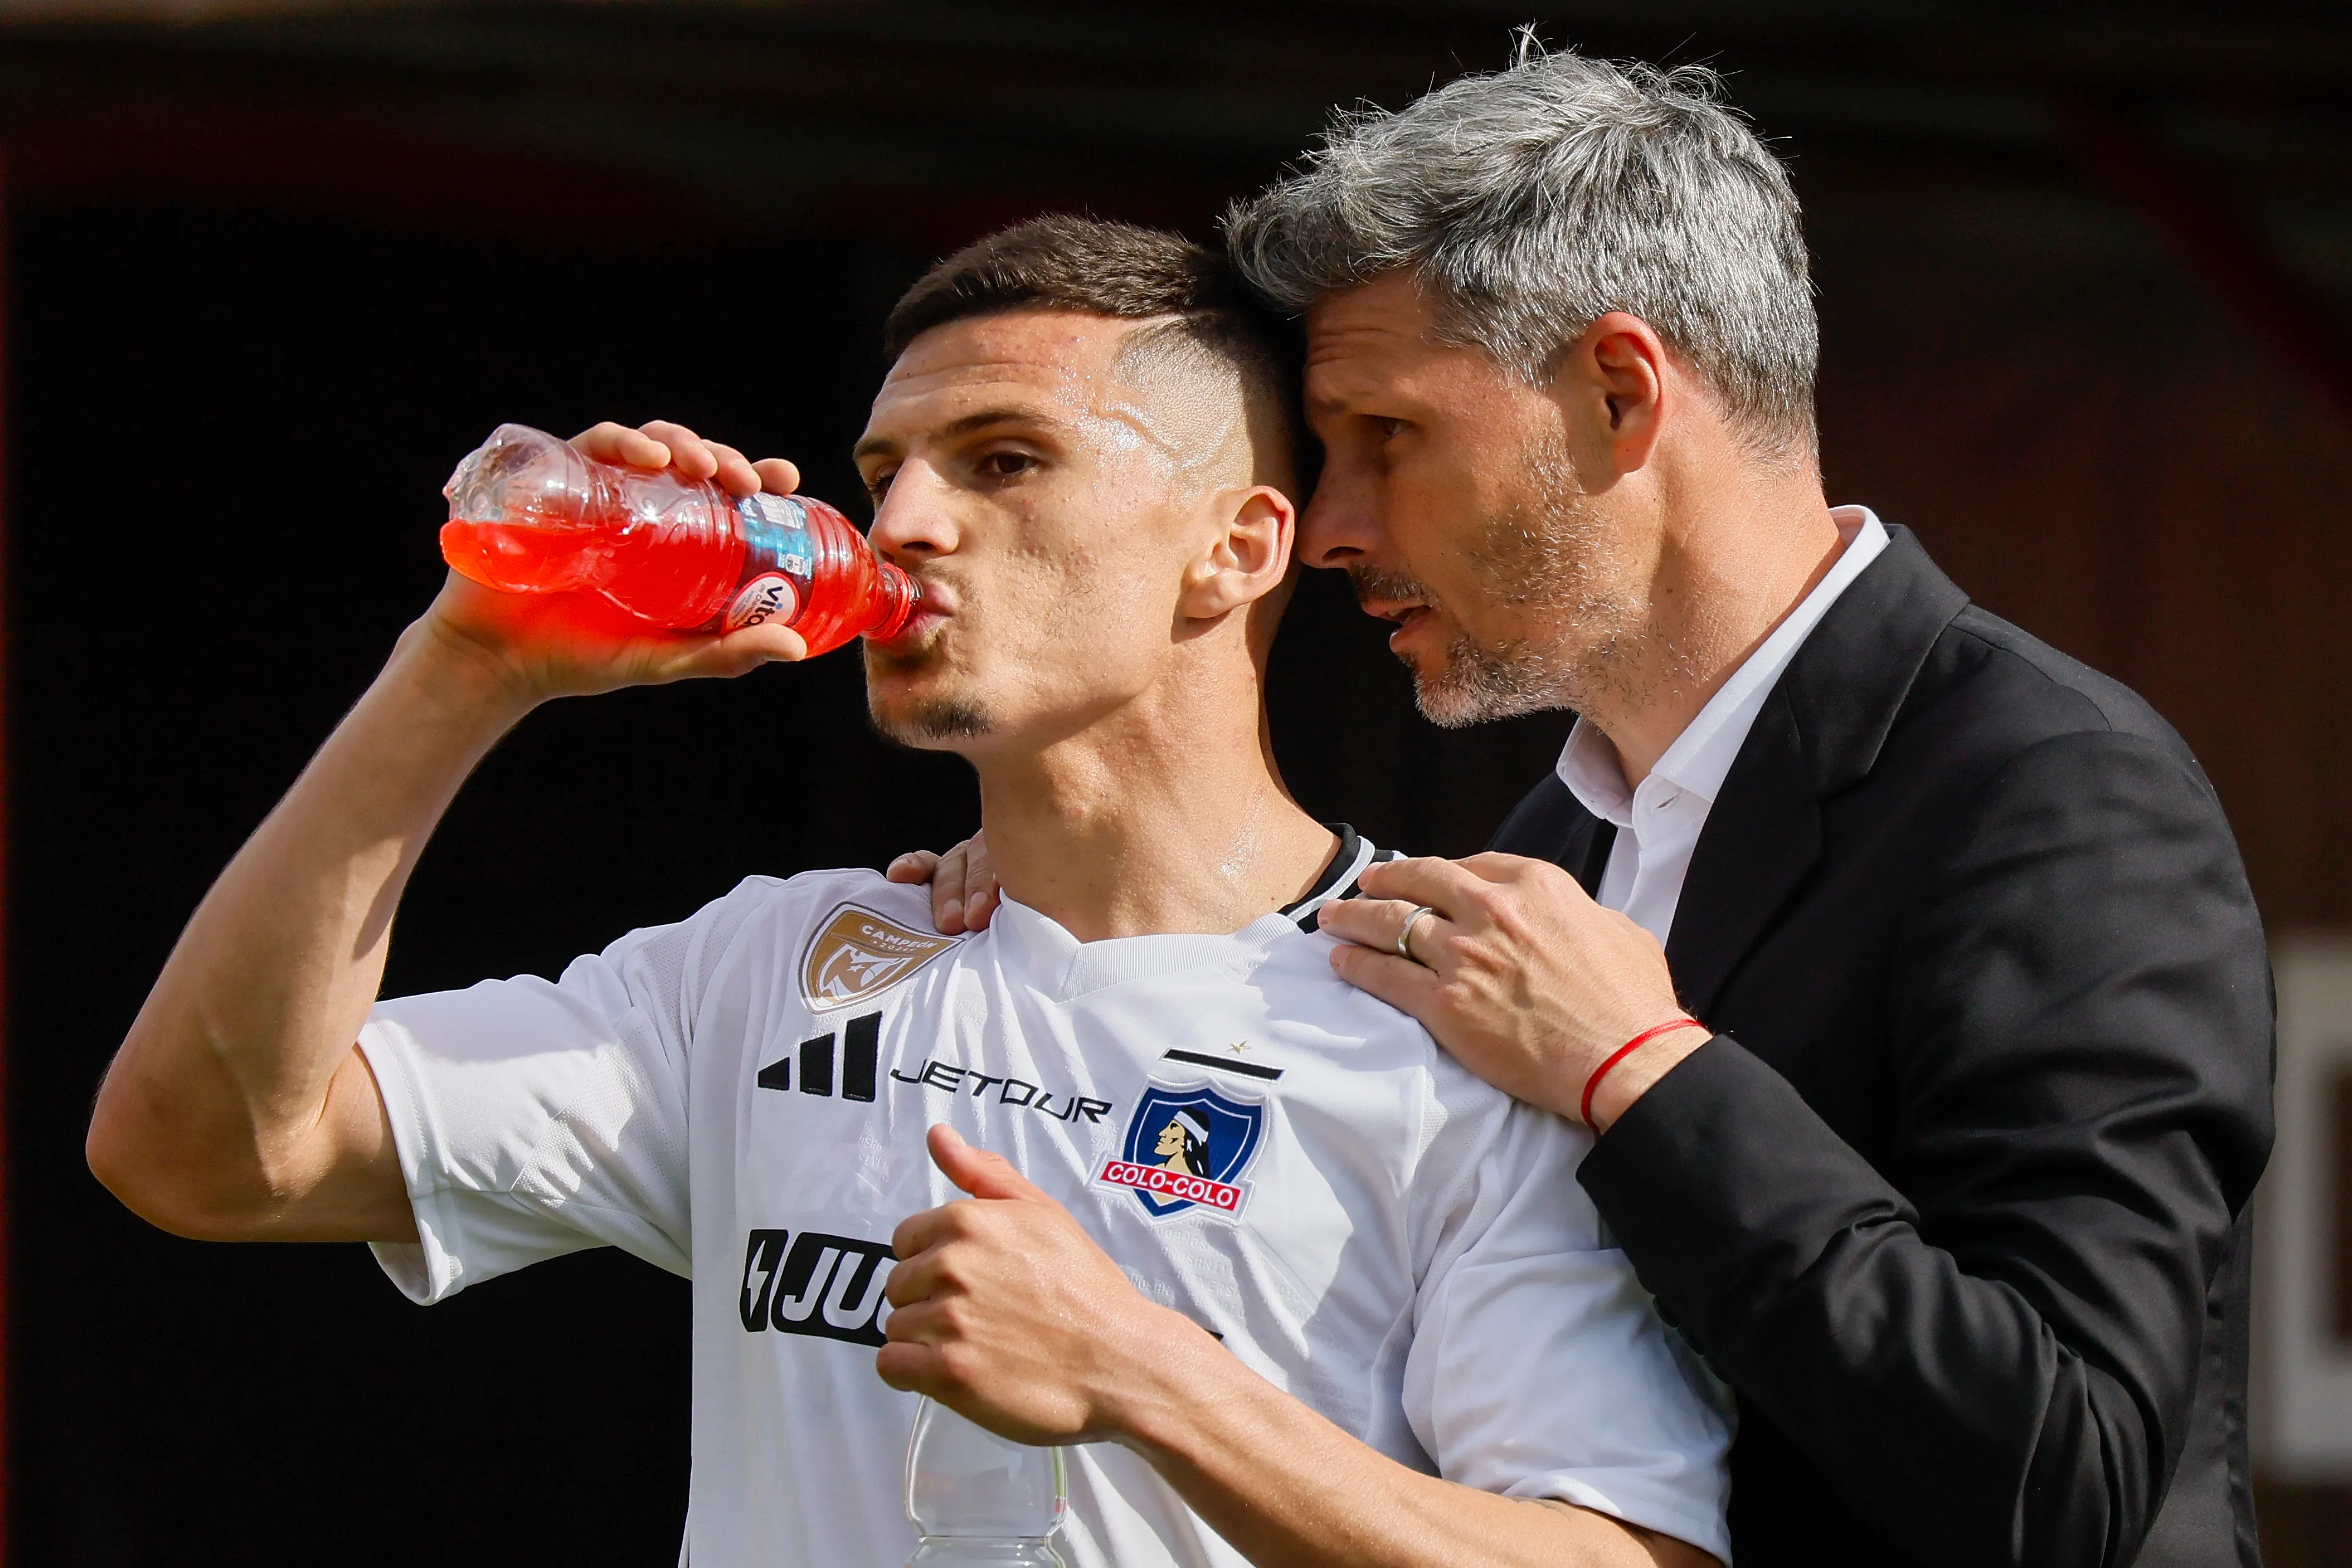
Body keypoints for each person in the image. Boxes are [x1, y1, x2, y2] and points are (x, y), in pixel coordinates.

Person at [85, 216, 1731, 1568]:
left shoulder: (1465, 1011)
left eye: (1005, 460)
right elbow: (201, 1152)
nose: (909, 519)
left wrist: (1150, 1376)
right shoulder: (785, 965)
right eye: (889, 467)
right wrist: (460, 672)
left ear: (1232, 548)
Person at [906, 48, 2275, 1568]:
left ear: (1618, 394)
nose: (1334, 529)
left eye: (1384, 438)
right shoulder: (1541, 856)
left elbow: (2063, 1477)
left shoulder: (2050, 790)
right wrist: (1065, 879)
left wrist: (1645, 1075)